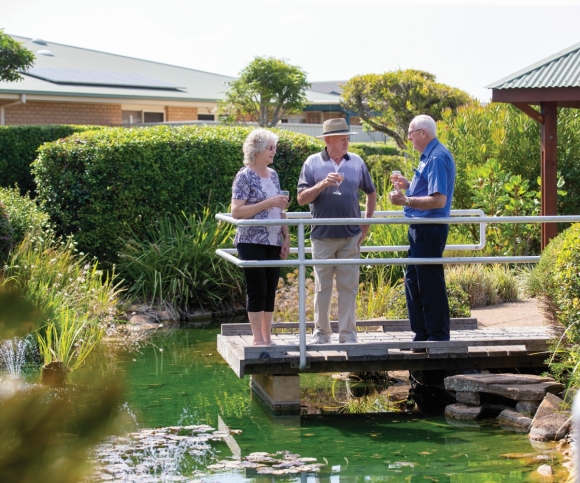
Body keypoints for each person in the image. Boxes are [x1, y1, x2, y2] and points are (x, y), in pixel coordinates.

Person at [297, 118, 376, 344]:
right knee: (322, 289)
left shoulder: (357, 162)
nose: (347, 142)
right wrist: (322, 184)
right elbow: (302, 199)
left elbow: (371, 192)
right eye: (342, 138)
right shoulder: (312, 163)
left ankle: (348, 336)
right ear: (328, 140)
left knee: (348, 289)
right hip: (322, 237)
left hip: (351, 237)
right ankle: (321, 334)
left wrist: (366, 224)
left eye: (348, 138)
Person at [388, 114, 456, 345]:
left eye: (411, 132)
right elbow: (429, 188)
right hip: (422, 227)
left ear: (423, 133)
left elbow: (438, 200)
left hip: (429, 226)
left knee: (429, 282)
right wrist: (409, 185)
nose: (408, 137)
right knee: (414, 281)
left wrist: (405, 200)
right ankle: (423, 334)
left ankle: (436, 336)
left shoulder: (436, 157)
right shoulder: (429, 157)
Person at [231, 129, 291, 346]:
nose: (274, 151)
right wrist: (269, 203)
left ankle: (268, 337)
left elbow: (281, 208)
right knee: (257, 289)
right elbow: (236, 211)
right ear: (256, 150)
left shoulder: (273, 174)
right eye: (270, 148)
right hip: (251, 240)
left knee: (270, 290)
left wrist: (286, 237)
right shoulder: (244, 175)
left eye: (274, 147)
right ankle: (258, 340)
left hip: (274, 239)